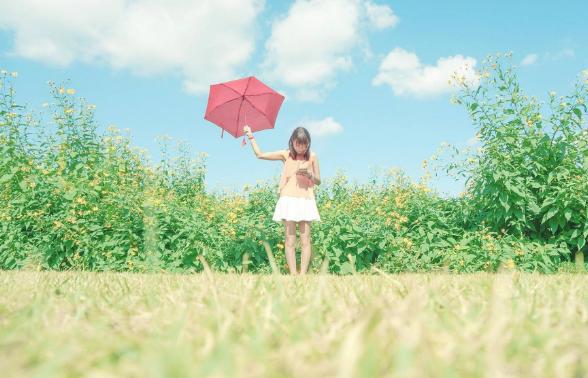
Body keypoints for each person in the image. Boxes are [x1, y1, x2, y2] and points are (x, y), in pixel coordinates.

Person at [243, 125, 321, 275]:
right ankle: (293, 274)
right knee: (289, 239)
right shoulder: (286, 155)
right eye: (299, 144)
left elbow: (318, 181)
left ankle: (303, 275)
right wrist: (250, 135)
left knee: (306, 240)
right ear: (292, 142)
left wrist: (309, 175)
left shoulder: (312, 156)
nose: (302, 148)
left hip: (306, 200)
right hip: (288, 200)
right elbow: (260, 154)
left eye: (305, 145)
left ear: (308, 143)